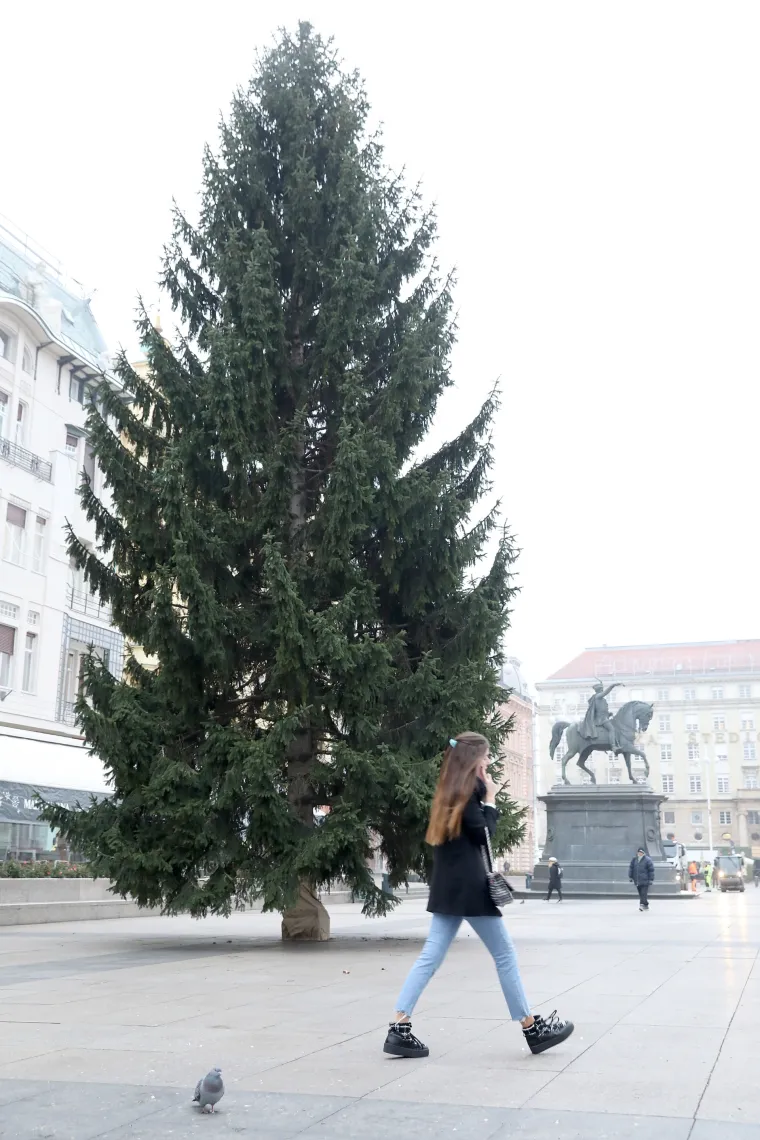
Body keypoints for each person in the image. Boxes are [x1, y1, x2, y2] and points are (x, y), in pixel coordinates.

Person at [383, 732, 574, 1059]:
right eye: (485, 757)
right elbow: (485, 833)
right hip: (471, 888)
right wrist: (491, 799)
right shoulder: (470, 792)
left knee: (431, 955)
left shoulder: (448, 790)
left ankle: (399, 1026)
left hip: (448, 886)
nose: (489, 762)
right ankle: (532, 1028)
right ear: (474, 760)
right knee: (505, 955)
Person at [579, 681, 623, 752]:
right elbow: (606, 692)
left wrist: (608, 714)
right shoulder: (598, 696)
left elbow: (601, 710)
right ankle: (613, 746)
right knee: (611, 729)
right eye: (602, 689)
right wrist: (613, 685)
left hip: (604, 717)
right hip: (601, 719)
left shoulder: (602, 700)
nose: (602, 690)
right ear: (599, 690)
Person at [629, 846, 655, 911]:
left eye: (641, 852)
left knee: (643, 893)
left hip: (645, 880)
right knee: (641, 893)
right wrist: (630, 876)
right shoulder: (634, 859)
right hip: (637, 880)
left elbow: (651, 870)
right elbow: (631, 868)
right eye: (639, 852)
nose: (640, 853)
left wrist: (651, 879)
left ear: (643, 853)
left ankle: (642, 905)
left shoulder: (647, 860)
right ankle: (646, 904)